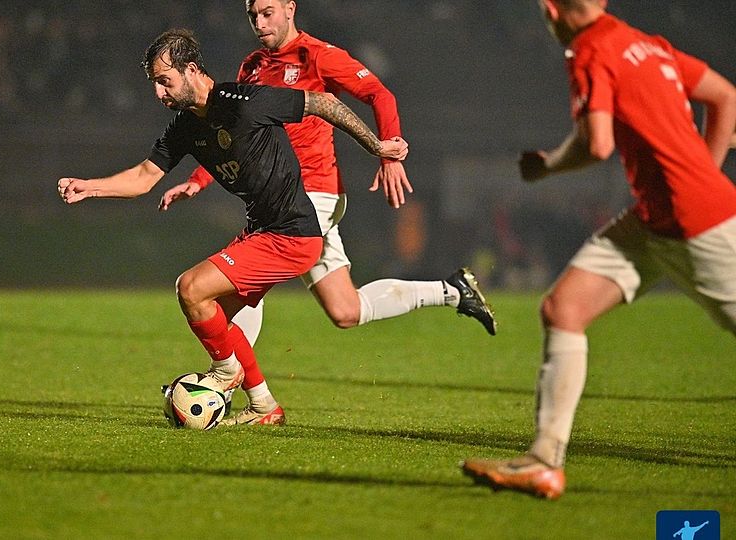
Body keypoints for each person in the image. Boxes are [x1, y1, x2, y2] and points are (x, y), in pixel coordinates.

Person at [58, 29, 408, 425]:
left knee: (190, 287)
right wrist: (91, 187)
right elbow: (143, 177)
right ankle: (263, 406)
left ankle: (227, 373)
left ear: (191, 70)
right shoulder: (186, 126)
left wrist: (377, 147)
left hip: (292, 233)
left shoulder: (244, 102)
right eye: (155, 84)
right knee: (216, 319)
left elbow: (322, 102)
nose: (159, 94)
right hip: (264, 231)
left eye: (164, 81)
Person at [461, 0, 736, 500]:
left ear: (549, 9)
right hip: (658, 218)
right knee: (563, 308)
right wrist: (706, 174)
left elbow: (598, 144)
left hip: (700, 224)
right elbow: (724, 97)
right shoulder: (648, 43)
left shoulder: (589, 52)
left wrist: (545, 166)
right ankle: (544, 462)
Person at [158, 0, 497, 359]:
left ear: (290, 8)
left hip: (312, 193)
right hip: (281, 197)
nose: (259, 22)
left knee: (242, 287)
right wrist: (198, 179)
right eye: (252, 15)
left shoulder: (316, 56)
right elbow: (231, 133)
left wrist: (388, 151)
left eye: (267, 12)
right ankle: (453, 290)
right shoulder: (252, 66)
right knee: (346, 310)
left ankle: (225, 384)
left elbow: (378, 94)